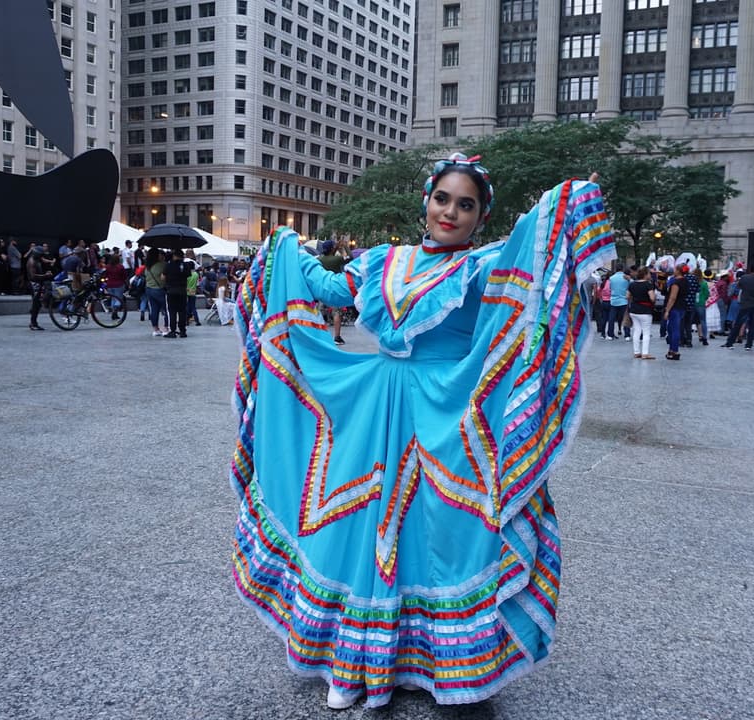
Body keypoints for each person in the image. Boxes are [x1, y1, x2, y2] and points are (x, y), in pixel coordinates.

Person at [230, 154, 614, 710]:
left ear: (481, 216)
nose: (450, 212)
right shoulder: (384, 260)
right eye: (442, 199)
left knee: (442, 532)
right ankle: (351, 663)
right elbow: (330, 290)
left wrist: (565, 206)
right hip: (371, 408)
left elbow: (529, 270)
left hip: (446, 413)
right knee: (359, 528)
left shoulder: (483, 267)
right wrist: (284, 249)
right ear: (426, 201)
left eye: (466, 205)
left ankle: (436, 663)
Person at [724, 266, 754, 351]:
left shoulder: (744, 278)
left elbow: (739, 287)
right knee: (753, 325)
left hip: (745, 304)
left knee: (738, 323)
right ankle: (748, 345)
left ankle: (730, 342)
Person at [317, 239, 348, 344]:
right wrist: (344, 247)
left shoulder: (320, 259)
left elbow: (329, 257)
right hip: (334, 288)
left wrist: (334, 249)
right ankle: (337, 337)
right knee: (336, 313)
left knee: (319, 313)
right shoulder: (337, 259)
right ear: (332, 249)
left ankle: (318, 336)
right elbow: (349, 258)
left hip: (322, 288)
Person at [627, 266, 657, 359]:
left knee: (636, 330)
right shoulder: (648, 284)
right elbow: (652, 298)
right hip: (645, 310)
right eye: (648, 273)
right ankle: (645, 353)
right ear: (645, 274)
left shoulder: (632, 284)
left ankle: (636, 352)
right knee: (646, 332)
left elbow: (627, 296)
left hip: (634, 309)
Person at [662, 265, 690, 360]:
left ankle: (674, 350)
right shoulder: (685, 281)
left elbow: (672, 297)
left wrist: (667, 310)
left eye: (675, 269)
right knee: (672, 328)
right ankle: (672, 349)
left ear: (678, 271)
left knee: (674, 329)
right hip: (682, 306)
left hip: (675, 307)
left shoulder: (676, 283)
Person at [161, 249, 190, 338]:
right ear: (182, 256)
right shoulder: (186, 265)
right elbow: (188, 275)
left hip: (171, 291)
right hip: (182, 291)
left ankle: (172, 331)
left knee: (172, 312)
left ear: (174, 256)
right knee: (182, 311)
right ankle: (182, 331)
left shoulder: (168, 265)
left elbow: (162, 277)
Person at [25, 243, 51, 330]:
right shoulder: (32, 262)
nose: (41, 257)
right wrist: (45, 276)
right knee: (36, 304)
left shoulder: (37, 260)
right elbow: (33, 276)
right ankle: (33, 323)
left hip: (37, 283)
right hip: (34, 284)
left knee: (37, 304)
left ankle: (34, 321)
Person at [142, 248, 167, 336]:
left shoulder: (147, 266)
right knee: (166, 309)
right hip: (159, 289)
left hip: (149, 289)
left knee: (154, 309)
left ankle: (156, 329)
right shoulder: (162, 265)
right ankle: (166, 328)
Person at [102, 254, 127, 319]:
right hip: (119, 284)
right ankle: (115, 309)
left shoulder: (107, 266)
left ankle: (114, 313)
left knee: (113, 299)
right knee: (119, 299)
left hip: (109, 284)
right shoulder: (120, 267)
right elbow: (124, 276)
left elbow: (104, 275)